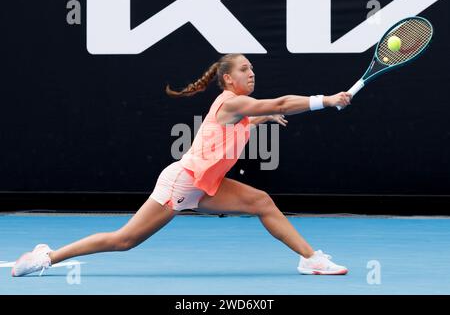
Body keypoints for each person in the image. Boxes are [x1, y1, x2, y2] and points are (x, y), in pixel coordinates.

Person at [12, 54, 351, 277]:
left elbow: (255, 116)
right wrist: (327, 100)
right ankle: (48, 256)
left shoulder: (241, 110)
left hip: (205, 186)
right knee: (124, 241)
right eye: (245, 69)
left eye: (252, 68)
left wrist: (263, 117)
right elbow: (277, 102)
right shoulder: (232, 102)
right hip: (182, 182)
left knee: (261, 201)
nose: (252, 72)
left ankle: (310, 259)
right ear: (228, 80)